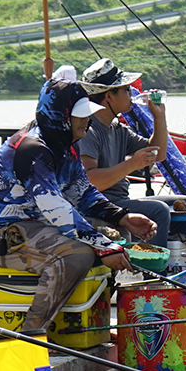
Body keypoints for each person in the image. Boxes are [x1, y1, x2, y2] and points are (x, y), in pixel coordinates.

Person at [0, 77, 156, 335]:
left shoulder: (67, 144)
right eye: (79, 115)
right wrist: (103, 247)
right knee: (77, 254)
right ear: (61, 116)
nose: (87, 120)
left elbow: (81, 191)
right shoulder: (33, 149)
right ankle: (33, 333)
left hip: (37, 224)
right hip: (0, 234)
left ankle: (90, 322)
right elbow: (56, 208)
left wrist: (122, 217)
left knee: (116, 237)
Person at [72, 60, 177, 246]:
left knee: (181, 202)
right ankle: (155, 269)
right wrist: (131, 164)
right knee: (160, 210)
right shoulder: (89, 130)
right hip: (101, 203)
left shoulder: (117, 128)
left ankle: (174, 260)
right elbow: (90, 181)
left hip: (121, 199)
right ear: (109, 97)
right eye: (126, 89)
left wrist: (159, 116)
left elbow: (158, 154)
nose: (131, 94)